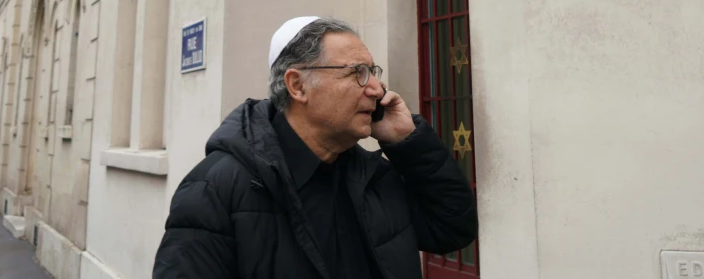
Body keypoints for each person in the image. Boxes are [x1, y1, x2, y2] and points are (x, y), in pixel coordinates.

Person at [153, 17, 477, 279]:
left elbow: (453, 229)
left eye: (373, 73)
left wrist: (409, 144)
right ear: (298, 86)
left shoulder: (373, 177)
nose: (378, 89)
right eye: (357, 73)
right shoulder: (215, 190)